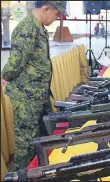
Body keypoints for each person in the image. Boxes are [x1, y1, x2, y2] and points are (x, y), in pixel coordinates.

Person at [0, 1, 66, 170]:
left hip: (38, 95)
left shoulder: (39, 27)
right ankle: (21, 174)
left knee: (43, 137)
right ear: (45, 8)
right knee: (26, 144)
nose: (56, 18)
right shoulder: (27, 28)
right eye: (56, 14)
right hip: (27, 98)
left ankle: (40, 170)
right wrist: (4, 77)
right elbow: (17, 61)